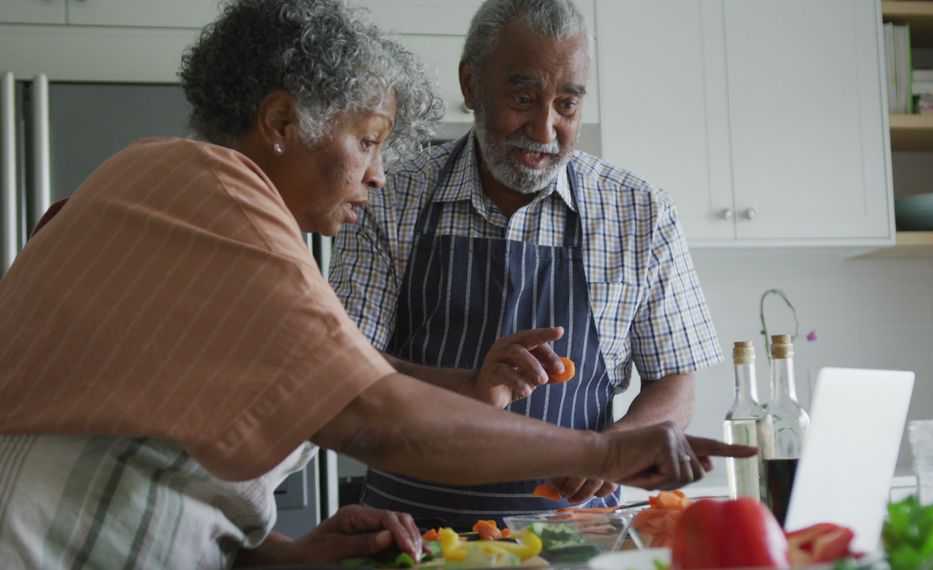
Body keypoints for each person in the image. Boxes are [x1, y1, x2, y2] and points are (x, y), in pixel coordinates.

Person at [0, 0, 751, 568]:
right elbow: (369, 413)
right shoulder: (213, 193)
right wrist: (602, 454)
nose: (378, 173)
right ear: (283, 120)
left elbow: (165, 449)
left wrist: (277, 556)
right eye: (366, 141)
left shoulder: (184, 193)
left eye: (568, 102)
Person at [330, 0, 725, 524]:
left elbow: (674, 380)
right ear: (471, 85)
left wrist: (612, 451)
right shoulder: (389, 192)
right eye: (522, 98)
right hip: (411, 535)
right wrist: (470, 385)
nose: (544, 130)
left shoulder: (640, 212)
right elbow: (344, 367)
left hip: (576, 535)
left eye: (566, 105)